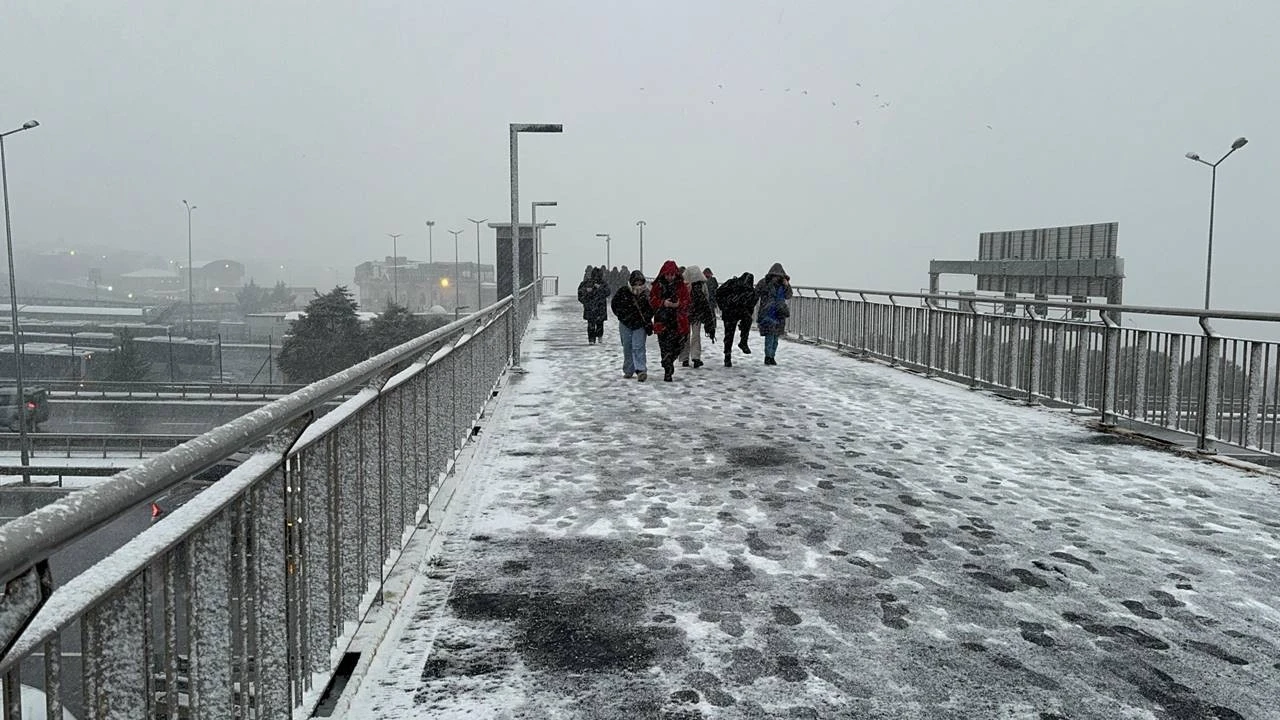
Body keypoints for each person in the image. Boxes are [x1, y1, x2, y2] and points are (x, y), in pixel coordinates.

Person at [649, 260, 691, 382]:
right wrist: (663, 303)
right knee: (664, 347)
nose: (670, 277)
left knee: (679, 345)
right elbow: (652, 301)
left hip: (677, 321)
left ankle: (668, 362)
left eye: (672, 275)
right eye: (668, 274)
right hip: (662, 320)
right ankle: (668, 370)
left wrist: (678, 304)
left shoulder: (681, 286)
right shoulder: (658, 286)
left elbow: (687, 301)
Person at [611, 269, 653, 381]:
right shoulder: (623, 292)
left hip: (639, 325)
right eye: (636, 283)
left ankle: (641, 370)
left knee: (638, 347)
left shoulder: (646, 294)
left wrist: (646, 318)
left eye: (640, 283)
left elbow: (651, 309)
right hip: (625, 324)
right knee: (627, 347)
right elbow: (614, 305)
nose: (638, 286)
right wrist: (622, 315)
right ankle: (629, 369)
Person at [715, 271, 756, 367]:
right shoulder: (734, 284)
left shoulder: (745, 288)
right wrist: (723, 306)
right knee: (729, 334)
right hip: (730, 311)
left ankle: (736, 347)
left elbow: (751, 305)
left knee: (729, 334)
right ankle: (729, 354)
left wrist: (723, 306)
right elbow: (718, 293)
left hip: (735, 311)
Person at [755, 262, 793, 365]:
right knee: (770, 336)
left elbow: (788, 295)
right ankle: (768, 357)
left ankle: (772, 356)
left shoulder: (783, 285)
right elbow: (756, 294)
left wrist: (787, 285)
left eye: (779, 276)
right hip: (767, 313)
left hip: (779, 314)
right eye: (775, 275)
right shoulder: (764, 283)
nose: (777, 278)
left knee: (776, 337)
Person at [679, 265, 714, 369]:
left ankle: (684, 358)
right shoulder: (702, 285)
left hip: (686, 314)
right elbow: (706, 298)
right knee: (696, 336)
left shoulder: (684, 285)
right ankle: (695, 357)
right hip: (696, 314)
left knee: (685, 336)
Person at [577, 266, 610, 343]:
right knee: (592, 324)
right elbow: (580, 294)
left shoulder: (603, 283)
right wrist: (587, 292)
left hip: (597, 307)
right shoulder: (587, 283)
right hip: (593, 307)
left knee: (598, 323)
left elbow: (608, 292)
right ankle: (592, 339)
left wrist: (599, 288)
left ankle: (597, 337)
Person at [702, 267, 719, 342]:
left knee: (711, 313)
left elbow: (714, 289)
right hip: (708, 300)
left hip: (710, 300)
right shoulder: (711, 281)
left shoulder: (708, 281)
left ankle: (711, 326)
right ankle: (711, 326)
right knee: (710, 313)